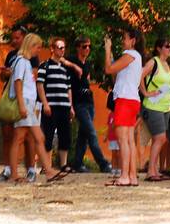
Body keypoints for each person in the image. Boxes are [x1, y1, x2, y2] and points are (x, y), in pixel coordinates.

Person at [7, 33, 63, 184]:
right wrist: (21, 105)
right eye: (38, 47)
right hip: (24, 103)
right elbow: (18, 83)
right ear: (31, 46)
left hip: (27, 103)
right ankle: (46, 171)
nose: (39, 50)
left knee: (25, 138)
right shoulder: (22, 62)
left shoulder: (24, 62)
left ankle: (44, 171)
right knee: (34, 138)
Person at [0, 25, 38, 183]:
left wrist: (12, 73)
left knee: (28, 137)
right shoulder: (12, 55)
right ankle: (8, 170)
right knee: (8, 135)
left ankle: (31, 169)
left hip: (25, 99)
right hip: (11, 98)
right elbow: (7, 78)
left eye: (17, 38)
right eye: (13, 38)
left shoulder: (31, 57)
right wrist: (5, 73)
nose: (14, 41)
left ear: (24, 39)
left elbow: (32, 76)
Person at [65, 37, 112, 175]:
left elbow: (87, 79)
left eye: (89, 47)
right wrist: (74, 67)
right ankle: (103, 164)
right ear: (78, 47)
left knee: (83, 135)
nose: (87, 49)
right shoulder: (72, 60)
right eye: (84, 46)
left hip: (89, 102)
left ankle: (77, 164)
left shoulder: (88, 64)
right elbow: (60, 59)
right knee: (91, 133)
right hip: (79, 103)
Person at [105, 29, 145, 187]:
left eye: (125, 38)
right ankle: (132, 176)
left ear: (133, 41)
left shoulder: (130, 55)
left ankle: (124, 176)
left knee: (123, 140)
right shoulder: (136, 57)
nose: (123, 41)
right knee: (129, 140)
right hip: (132, 100)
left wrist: (107, 49)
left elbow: (108, 69)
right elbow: (115, 76)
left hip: (125, 100)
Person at [37, 38, 75, 176]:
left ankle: (63, 164)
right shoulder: (44, 66)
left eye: (64, 47)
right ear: (52, 49)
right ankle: (47, 165)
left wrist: (71, 106)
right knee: (48, 135)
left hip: (64, 106)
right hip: (51, 106)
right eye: (59, 47)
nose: (62, 50)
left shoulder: (65, 69)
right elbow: (40, 85)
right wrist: (45, 103)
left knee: (65, 135)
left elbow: (68, 88)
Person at [140, 38, 170, 181]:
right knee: (160, 138)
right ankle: (150, 171)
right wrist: (145, 92)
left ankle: (154, 169)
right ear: (159, 48)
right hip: (153, 106)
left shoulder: (166, 64)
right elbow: (140, 75)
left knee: (160, 139)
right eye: (167, 46)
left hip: (164, 107)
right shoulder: (153, 62)